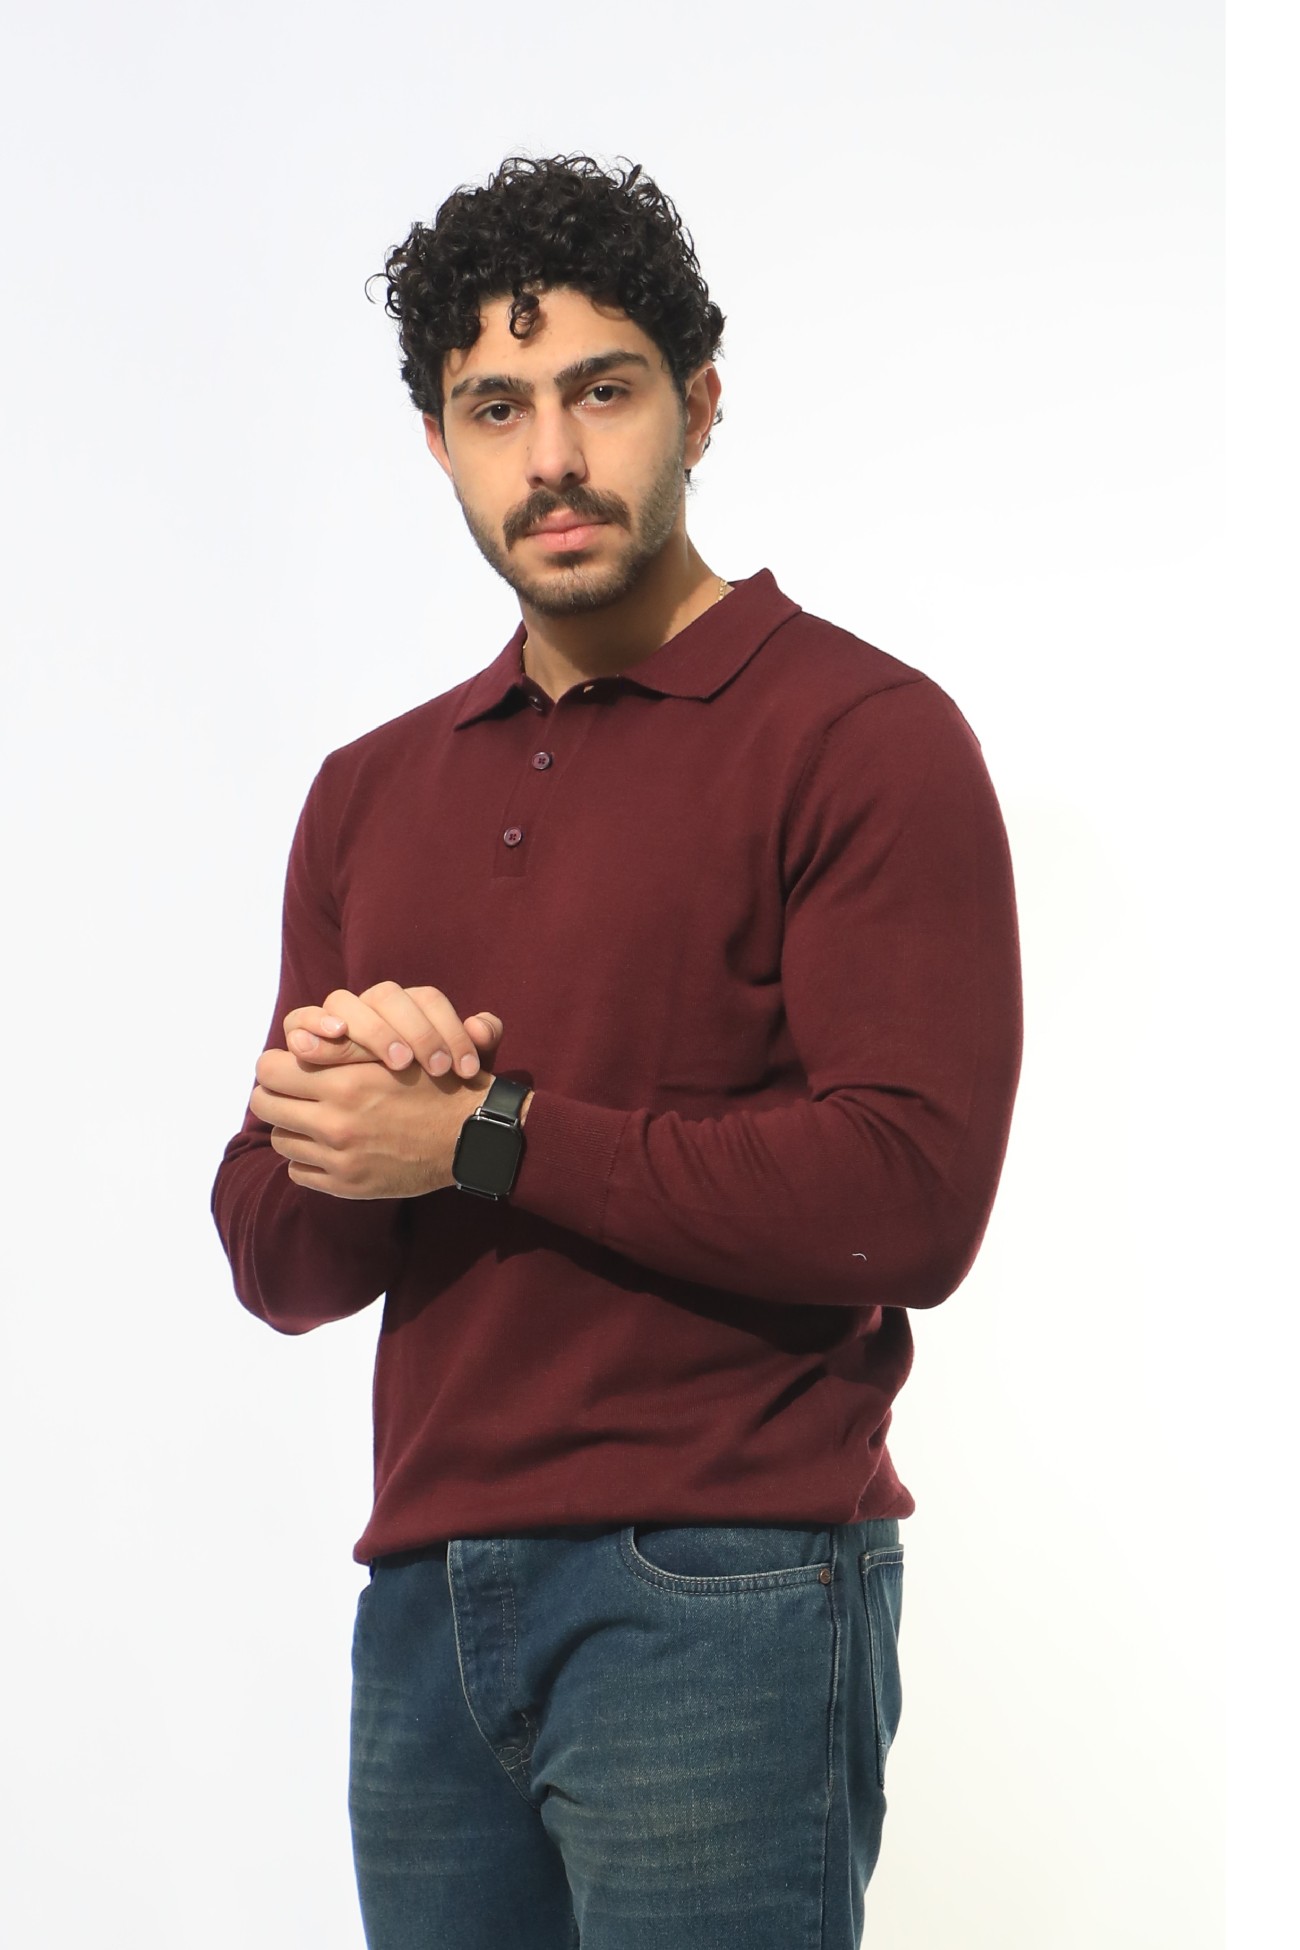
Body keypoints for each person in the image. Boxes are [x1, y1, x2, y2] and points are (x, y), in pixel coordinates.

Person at [211, 152, 1023, 1950]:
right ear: (439, 443)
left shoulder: (863, 734)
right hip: (423, 1606)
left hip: (723, 1581)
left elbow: (910, 1197)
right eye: (496, 408)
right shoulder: (369, 790)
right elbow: (276, 1256)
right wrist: (363, 1117)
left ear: (700, 405)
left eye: (603, 390)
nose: (553, 459)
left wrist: (480, 1133)